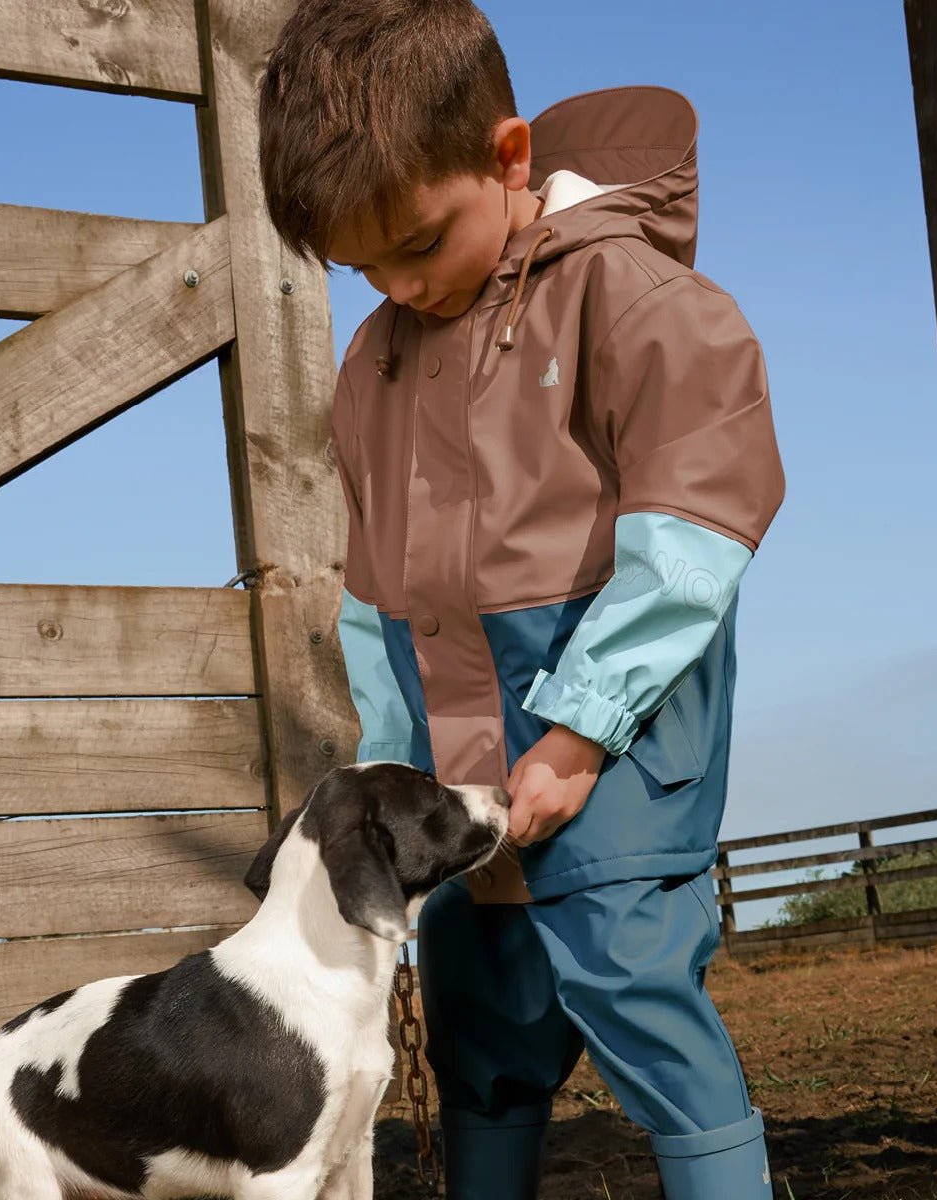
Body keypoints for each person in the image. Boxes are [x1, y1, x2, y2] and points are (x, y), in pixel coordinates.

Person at [257, 2, 786, 1196]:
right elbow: (375, 594)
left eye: (419, 243)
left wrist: (583, 726)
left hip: (615, 741)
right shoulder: (374, 366)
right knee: (482, 1017)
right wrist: (394, 786)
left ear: (506, 158)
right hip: (460, 763)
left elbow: (694, 533)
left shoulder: (634, 303)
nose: (398, 285)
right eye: (362, 270)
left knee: (628, 986)